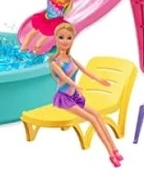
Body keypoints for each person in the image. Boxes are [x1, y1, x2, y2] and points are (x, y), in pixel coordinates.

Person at [50, 23, 123, 167]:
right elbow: (64, 77)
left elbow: (85, 70)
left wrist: (99, 79)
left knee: (97, 115)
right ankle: (110, 154)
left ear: (73, 40)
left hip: (75, 96)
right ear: (55, 38)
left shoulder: (71, 59)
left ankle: (115, 149)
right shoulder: (55, 62)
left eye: (69, 38)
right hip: (64, 98)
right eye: (61, 37)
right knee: (92, 119)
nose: (65, 41)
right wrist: (76, 86)